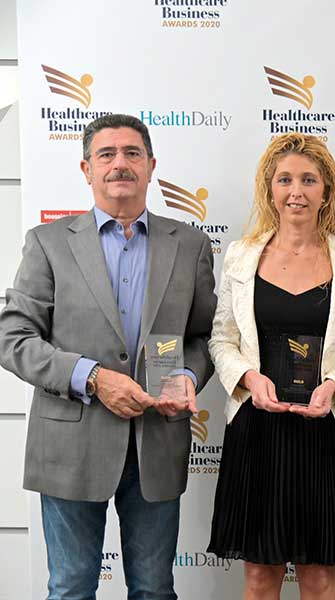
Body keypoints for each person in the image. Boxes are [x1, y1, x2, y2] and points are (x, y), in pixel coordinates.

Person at [0, 113, 216, 599]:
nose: (120, 164)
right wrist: (93, 377)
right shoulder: (48, 243)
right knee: (72, 589)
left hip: (156, 443)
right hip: (70, 448)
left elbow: (204, 336)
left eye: (132, 153)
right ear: (87, 169)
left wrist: (186, 374)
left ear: (151, 166)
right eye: (107, 154)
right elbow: (13, 336)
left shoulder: (190, 245)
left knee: (154, 590)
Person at [207, 133, 335, 600]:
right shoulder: (241, 255)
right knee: (259, 577)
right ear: (270, 189)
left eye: (308, 180)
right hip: (257, 430)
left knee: (319, 579)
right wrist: (248, 378)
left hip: (326, 430)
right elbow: (222, 339)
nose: (296, 191)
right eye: (285, 180)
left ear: (327, 190)